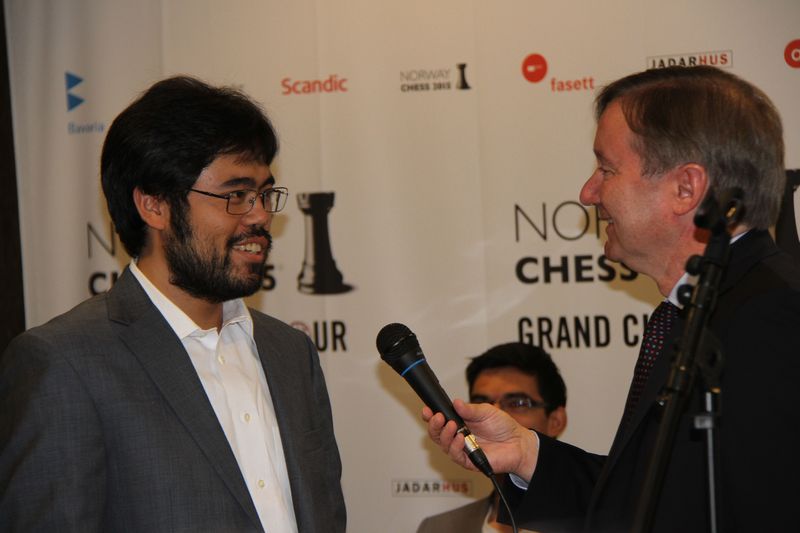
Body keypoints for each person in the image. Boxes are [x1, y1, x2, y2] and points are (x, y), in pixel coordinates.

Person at [424, 65, 800, 532]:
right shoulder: (696, 311)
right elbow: (651, 502)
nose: (588, 193)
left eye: (606, 169)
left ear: (686, 188)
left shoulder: (776, 317)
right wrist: (525, 453)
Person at [0, 76, 346, 532]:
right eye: (236, 195)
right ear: (154, 206)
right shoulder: (66, 364)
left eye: (263, 194)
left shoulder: (290, 353)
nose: (261, 215)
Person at [417, 342, 567, 533]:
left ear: (556, 421)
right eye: (482, 403)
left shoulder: (595, 523)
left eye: (517, 403)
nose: (494, 416)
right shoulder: (437, 528)